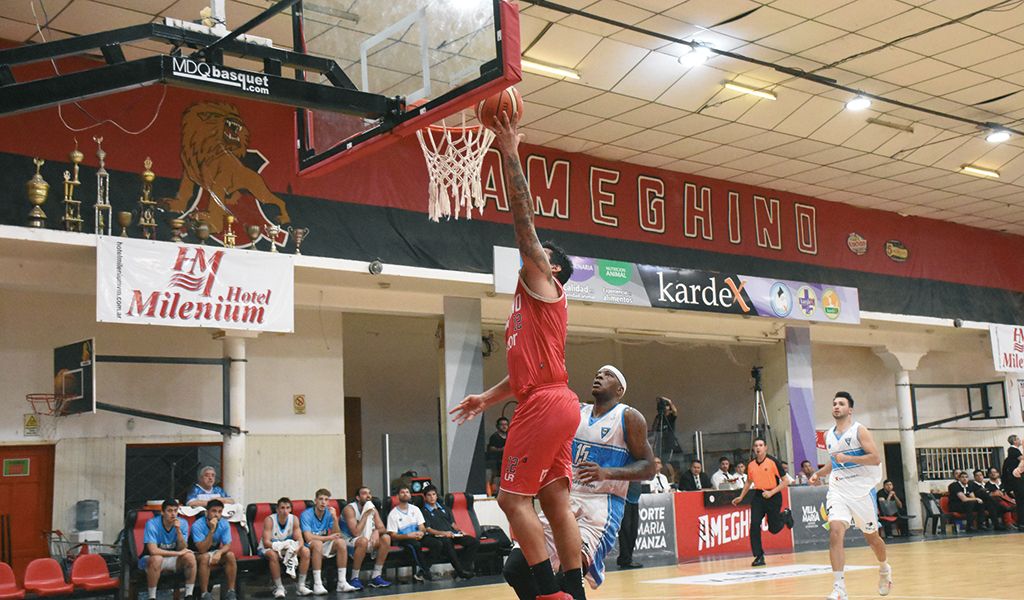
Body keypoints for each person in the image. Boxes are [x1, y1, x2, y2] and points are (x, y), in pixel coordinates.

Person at [450, 111, 581, 600]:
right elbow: (522, 375)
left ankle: (548, 592)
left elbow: (525, 226)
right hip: (553, 397)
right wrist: (486, 398)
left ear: (552, 269)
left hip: (546, 404)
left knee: (510, 499)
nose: (529, 256)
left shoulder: (544, 286)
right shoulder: (524, 309)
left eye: (541, 255)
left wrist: (509, 153)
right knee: (554, 501)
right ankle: (574, 590)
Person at [502, 365, 657, 599]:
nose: (600, 376)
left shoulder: (629, 417)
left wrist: (606, 473)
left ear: (620, 390)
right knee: (515, 569)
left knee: (568, 579)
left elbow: (649, 468)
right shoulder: (575, 411)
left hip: (600, 507)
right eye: (598, 373)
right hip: (564, 500)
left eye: (608, 375)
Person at [809, 392, 892, 600]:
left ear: (850, 409)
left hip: (862, 491)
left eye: (841, 403)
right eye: (834, 403)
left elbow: (875, 458)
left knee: (872, 539)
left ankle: (884, 568)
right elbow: (834, 462)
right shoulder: (828, 435)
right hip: (838, 489)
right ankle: (839, 588)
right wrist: (819, 473)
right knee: (835, 531)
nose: (836, 406)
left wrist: (847, 458)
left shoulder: (859, 430)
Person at [732, 438, 793, 567]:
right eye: (756, 445)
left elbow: (786, 481)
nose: (758, 448)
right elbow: (749, 481)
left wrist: (771, 492)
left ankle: (785, 515)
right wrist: (741, 496)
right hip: (759, 496)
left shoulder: (773, 462)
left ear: (765, 447)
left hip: (773, 495)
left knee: (773, 529)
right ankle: (759, 556)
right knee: (754, 524)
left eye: (760, 445)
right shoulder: (751, 464)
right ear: (753, 449)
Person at [300, 489, 358, 594]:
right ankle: (317, 584)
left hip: (324, 543)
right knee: (318, 544)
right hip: (310, 546)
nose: (323, 502)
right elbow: (308, 537)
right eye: (321, 499)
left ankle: (342, 582)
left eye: (326, 500)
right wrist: (328, 538)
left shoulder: (329, 513)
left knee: (341, 542)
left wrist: (335, 518)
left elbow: (337, 534)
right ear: (315, 501)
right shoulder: (306, 514)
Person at [141, 499, 197, 600]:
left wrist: (178, 530)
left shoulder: (182, 523)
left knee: (190, 556)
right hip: (151, 559)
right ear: (162, 512)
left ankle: (189, 595)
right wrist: (178, 553)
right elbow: (153, 551)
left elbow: (183, 548)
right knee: (157, 558)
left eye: (175, 511)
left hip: (173, 559)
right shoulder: (152, 524)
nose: (173, 514)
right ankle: (152, 597)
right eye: (170, 511)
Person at [421, 484, 478, 579]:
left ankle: (463, 568)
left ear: (437, 496)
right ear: (425, 497)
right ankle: (460, 571)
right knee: (447, 542)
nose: (432, 497)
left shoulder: (444, 508)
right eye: (429, 495)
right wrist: (444, 533)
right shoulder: (423, 511)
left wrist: (460, 531)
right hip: (439, 537)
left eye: (434, 494)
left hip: (452, 534)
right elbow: (428, 529)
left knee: (473, 542)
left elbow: (452, 523)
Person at [340, 486, 391, 590]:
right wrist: (365, 515)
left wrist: (376, 531)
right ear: (358, 497)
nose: (368, 496)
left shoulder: (372, 508)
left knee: (386, 538)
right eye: (364, 493)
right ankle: (354, 578)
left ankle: (376, 576)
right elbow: (356, 533)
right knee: (363, 541)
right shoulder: (349, 509)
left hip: (363, 539)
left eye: (369, 493)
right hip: (346, 539)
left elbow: (382, 528)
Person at [259, 497, 312, 598]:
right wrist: (279, 546)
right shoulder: (269, 520)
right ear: (277, 509)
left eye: (287, 508)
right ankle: (279, 587)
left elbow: (300, 540)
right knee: (273, 555)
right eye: (282, 508)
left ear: (291, 509)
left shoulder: (294, 519)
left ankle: (301, 586)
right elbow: (266, 542)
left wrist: (297, 549)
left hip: (286, 547)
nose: (285, 511)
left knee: (306, 551)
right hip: (271, 547)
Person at [386, 486, 441, 582]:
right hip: (403, 539)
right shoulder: (393, 514)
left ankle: (421, 572)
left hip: (418, 536)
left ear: (410, 495)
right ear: (397, 496)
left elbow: (422, 527)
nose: (405, 494)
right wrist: (408, 536)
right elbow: (393, 536)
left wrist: (421, 532)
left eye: (407, 492)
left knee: (437, 544)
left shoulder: (415, 509)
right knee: (415, 545)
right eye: (402, 492)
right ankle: (427, 573)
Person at [191, 499, 237, 600]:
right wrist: (212, 530)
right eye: (214, 511)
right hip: (195, 554)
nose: (217, 514)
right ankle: (204, 594)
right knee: (205, 557)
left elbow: (227, 544)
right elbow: (202, 549)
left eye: (220, 512)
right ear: (207, 512)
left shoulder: (224, 523)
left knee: (230, 555)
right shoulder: (197, 525)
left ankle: (231, 592)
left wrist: (219, 553)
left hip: (213, 552)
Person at [616, 482, 642, 570]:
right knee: (625, 530)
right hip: (624, 500)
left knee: (633, 532)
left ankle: (628, 558)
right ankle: (625, 559)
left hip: (634, 501)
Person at [1001, 434, 1024, 530]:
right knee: (1021, 502)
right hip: (1017, 482)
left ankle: (1021, 523)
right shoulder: (1013, 450)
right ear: (1014, 441)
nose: (1020, 440)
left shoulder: (1011, 454)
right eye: (1018, 439)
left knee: (1021, 503)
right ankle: (1022, 523)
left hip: (1016, 482)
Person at [649, 396, 682, 461]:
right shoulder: (659, 417)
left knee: (666, 460)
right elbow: (654, 429)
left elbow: (675, 411)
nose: (665, 407)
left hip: (669, 443)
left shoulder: (671, 416)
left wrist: (669, 401)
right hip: (659, 442)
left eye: (667, 406)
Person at [487, 417, 510, 494]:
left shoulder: (510, 435)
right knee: (496, 477)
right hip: (497, 460)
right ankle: (494, 491)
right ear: (497, 426)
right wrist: (501, 449)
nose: (504, 426)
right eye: (502, 425)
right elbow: (491, 448)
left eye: (506, 424)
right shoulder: (495, 436)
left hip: (508, 460)